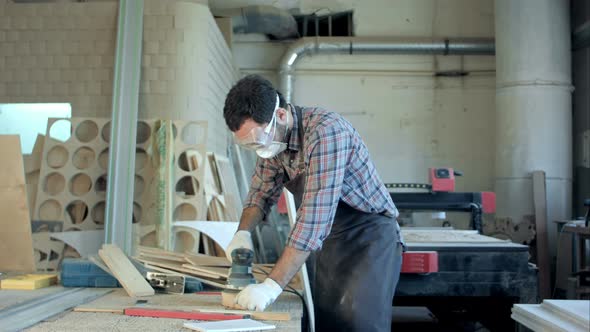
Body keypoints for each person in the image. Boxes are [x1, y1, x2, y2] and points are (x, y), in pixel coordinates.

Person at [223, 74, 404, 331]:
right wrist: (243, 232)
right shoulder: (275, 142)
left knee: (358, 322)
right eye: (248, 144)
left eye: (258, 140)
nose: (258, 148)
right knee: (324, 320)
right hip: (330, 240)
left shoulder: (326, 132)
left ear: (281, 116)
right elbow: (260, 193)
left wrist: (270, 287)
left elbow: (312, 221)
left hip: (368, 238)